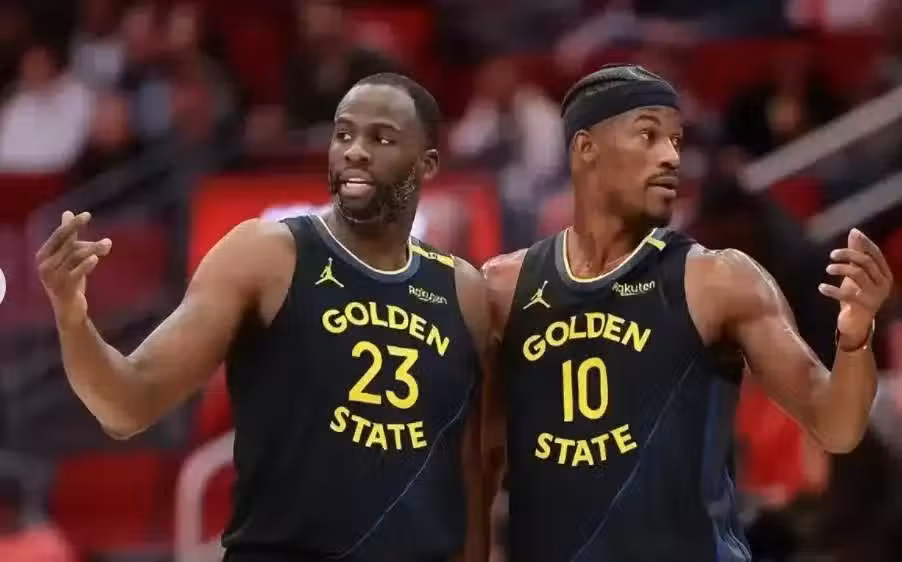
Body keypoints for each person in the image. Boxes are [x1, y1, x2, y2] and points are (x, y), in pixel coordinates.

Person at [36, 72, 490, 562]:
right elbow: (127, 405)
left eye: (381, 138)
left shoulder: (462, 291)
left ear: (427, 163)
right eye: (343, 134)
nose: (355, 151)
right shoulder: (267, 254)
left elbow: (469, 473)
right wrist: (72, 317)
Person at [481, 64, 893, 562]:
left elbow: (837, 427)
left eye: (676, 141)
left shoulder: (721, 280)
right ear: (586, 148)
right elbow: (477, 464)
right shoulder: (503, 288)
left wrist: (855, 338)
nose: (671, 157)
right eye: (648, 136)